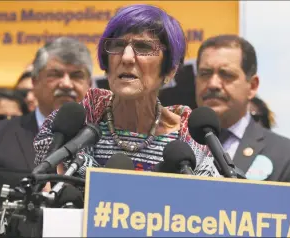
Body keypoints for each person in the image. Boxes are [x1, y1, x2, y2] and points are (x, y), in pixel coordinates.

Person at [33, 4, 220, 179]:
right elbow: (47, 198)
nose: (127, 57)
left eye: (144, 47)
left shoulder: (192, 141)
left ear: (170, 69)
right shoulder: (70, 129)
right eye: (117, 46)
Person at [0, 37, 93, 238]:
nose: (66, 83)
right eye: (55, 74)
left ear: (89, 84)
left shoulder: (104, 142)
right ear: (35, 82)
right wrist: (13, 228)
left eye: (76, 75)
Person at [194, 34, 290, 183]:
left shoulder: (288, 157)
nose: (213, 84)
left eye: (226, 74)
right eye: (205, 73)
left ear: (253, 86)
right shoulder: (171, 146)